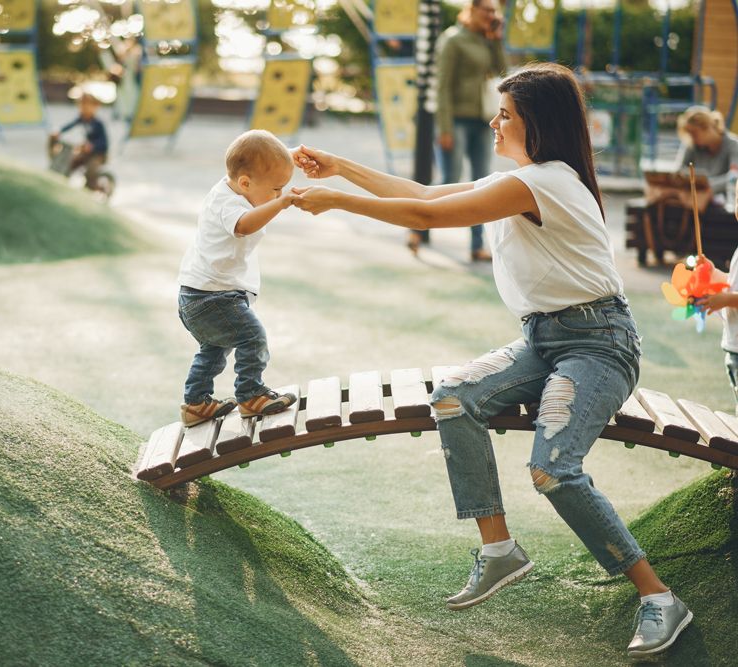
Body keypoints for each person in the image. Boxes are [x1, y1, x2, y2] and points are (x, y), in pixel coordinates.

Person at [290, 63, 692, 659]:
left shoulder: (542, 182)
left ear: (539, 122)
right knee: (453, 397)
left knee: (554, 469)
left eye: (505, 114)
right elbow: (424, 195)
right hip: (543, 340)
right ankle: (499, 549)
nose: (493, 123)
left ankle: (659, 597)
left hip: (598, 343)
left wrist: (338, 201)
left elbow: (426, 218)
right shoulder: (522, 180)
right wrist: (340, 166)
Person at [176, 130, 298, 427]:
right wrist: (282, 203)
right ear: (245, 183)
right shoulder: (228, 204)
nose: (278, 194)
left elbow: (256, 165)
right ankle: (251, 394)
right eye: (276, 189)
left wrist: (285, 159)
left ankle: (196, 403)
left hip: (197, 295)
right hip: (212, 298)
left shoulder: (233, 187)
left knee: (214, 349)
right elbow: (243, 226)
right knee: (252, 337)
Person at [418, 0, 506, 261]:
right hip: (456, 120)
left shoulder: (486, 40)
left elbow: (502, 72)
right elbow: (442, 86)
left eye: (494, 10)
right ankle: (415, 225)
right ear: (473, 9)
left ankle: (477, 245)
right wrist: (444, 127)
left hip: (483, 119)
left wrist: (496, 40)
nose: (491, 15)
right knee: (450, 179)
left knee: (483, 184)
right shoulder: (453, 39)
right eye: (487, 10)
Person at [696, 188, 738, 412]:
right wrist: (713, 272)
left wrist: (726, 299)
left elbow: (732, 294)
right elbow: (732, 283)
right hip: (733, 346)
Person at [48, 92, 109, 192]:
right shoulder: (81, 119)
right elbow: (70, 126)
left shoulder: (98, 124)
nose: (83, 108)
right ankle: (63, 183)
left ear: (95, 107)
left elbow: (104, 143)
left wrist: (93, 146)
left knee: (90, 172)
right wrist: (59, 132)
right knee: (69, 162)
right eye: (81, 105)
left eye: (87, 105)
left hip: (97, 154)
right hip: (84, 151)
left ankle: (96, 189)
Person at [676, 106, 738, 196]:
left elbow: (734, 177)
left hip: (724, 197)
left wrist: (707, 185)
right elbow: (679, 171)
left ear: (707, 128)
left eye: (694, 133)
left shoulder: (733, 145)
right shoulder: (692, 144)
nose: (692, 138)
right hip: (695, 196)